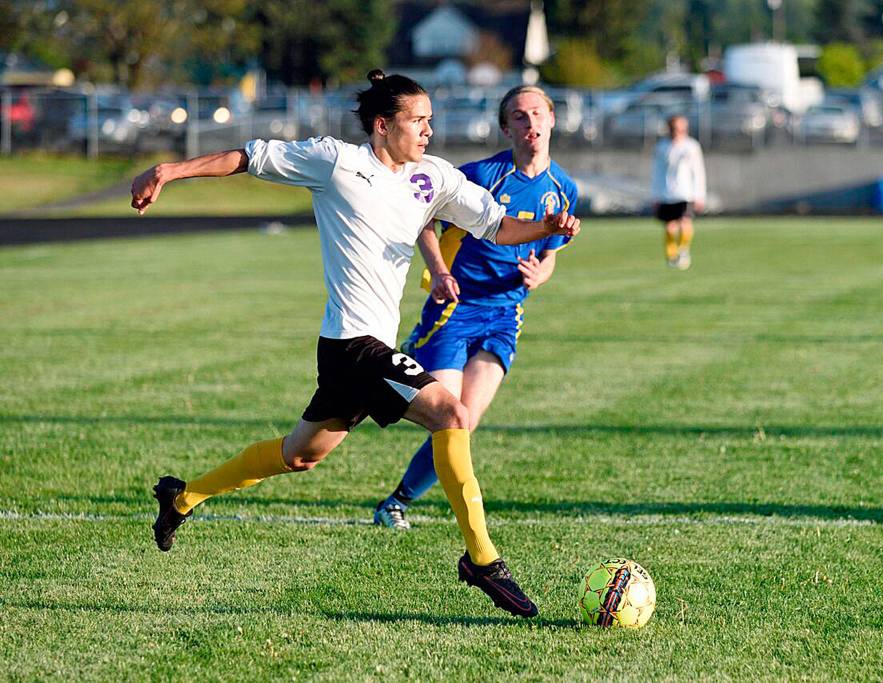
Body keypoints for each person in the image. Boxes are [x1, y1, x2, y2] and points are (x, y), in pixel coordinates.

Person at [130, 70, 580, 619]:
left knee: (301, 455)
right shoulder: (336, 161)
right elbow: (248, 156)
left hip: (357, 350)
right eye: (419, 121)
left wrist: (547, 226)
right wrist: (170, 170)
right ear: (383, 125)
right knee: (452, 414)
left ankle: (181, 498)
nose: (429, 132)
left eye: (431, 121)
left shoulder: (434, 177)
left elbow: (496, 225)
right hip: (354, 346)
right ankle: (482, 561)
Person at [372, 85, 577, 532]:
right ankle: (380, 384)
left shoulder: (564, 187)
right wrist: (439, 270)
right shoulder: (481, 175)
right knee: (446, 414)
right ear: (506, 128)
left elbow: (550, 250)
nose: (531, 123)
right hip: (456, 309)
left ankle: (396, 502)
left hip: (505, 316)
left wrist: (542, 273)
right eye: (519, 117)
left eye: (537, 113)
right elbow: (423, 220)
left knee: (464, 421)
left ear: (552, 119)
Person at [651, 114, 706, 270]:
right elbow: (657, 172)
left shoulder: (692, 146)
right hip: (667, 193)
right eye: (675, 128)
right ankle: (671, 254)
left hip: (686, 193)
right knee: (670, 227)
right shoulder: (662, 147)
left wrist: (699, 195)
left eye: (682, 128)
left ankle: (683, 250)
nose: (679, 132)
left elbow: (698, 171)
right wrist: (655, 195)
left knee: (685, 223)